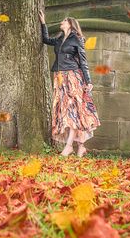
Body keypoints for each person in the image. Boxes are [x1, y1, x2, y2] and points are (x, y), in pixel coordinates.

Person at [38, 10, 101, 157]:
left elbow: (83, 61)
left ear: (71, 24)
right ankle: (81, 146)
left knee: (72, 110)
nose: (61, 22)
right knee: (67, 111)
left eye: (64, 20)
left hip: (73, 77)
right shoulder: (60, 39)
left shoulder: (77, 39)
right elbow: (46, 40)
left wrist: (88, 81)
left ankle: (68, 147)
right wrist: (43, 23)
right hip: (60, 77)